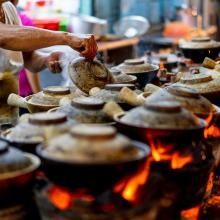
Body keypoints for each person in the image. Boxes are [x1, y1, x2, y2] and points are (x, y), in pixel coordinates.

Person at [0, 0, 97, 75]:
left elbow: (28, 59)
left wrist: (46, 59)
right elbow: (3, 34)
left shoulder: (8, 8)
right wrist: (67, 38)